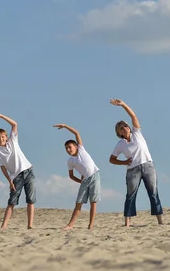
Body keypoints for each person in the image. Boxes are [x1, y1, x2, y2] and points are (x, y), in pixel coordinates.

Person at [109, 99, 164, 227]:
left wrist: (122, 104)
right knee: (130, 195)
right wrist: (123, 162)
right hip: (132, 170)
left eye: (126, 125)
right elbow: (111, 159)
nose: (126, 128)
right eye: (122, 128)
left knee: (153, 193)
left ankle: (160, 221)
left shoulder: (137, 133)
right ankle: (127, 223)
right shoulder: (120, 144)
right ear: (119, 132)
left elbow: (133, 116)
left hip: (148, 166)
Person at [0, 112, 36, 229]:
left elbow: (14, 124)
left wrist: (1, 116)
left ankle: (30, 225)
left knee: (30, 200)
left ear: (6, 137)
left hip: (28, 171)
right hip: (16, 177)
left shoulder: (13, 141)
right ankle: (4, 226)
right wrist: (9, 181)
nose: (0, 139)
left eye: (2, 137)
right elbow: (2, 167)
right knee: (12, 201)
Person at [53, 123, 100, 230]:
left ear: (76, 146)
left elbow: (76, 133)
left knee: (93, 201)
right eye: (66, 149)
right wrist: (80, 181)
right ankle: (70, 225)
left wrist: (65, 126)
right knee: (78, 202)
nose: (68, 150)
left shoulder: (81, 151)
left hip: (95, 176)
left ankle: (91, 225)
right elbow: (71, 176)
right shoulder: (70, 161)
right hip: (84, 180)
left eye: (69, 147)